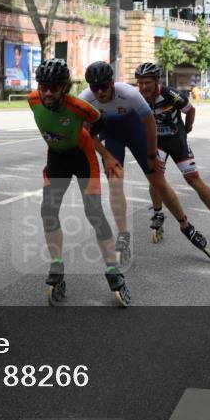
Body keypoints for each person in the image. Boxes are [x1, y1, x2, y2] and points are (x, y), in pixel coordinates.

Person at [79, 61, 210, 262]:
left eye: (103, 87)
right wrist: (106, 157)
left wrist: (152, 156)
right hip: (112, 137)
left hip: (137, 133)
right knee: (115, 184)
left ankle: (186, 226)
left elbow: (150, 124)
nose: (99, 92)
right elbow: (86, 132)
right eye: (94, 88)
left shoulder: (129, 94)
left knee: (158, 181)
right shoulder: (85, 99)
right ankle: (123, 235)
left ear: (112, 83)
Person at [28, 58, 131, 307]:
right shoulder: (32, 101)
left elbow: (98, 121)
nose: (48, 93)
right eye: (44, 87)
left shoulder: (78, 107)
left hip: (83, 157)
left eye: (54, 87)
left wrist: (88, 138)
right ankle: (57, 266)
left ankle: (112, 269)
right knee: (48, 211)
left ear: (65, 87)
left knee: (93, 212)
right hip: (57, 159)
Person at [135, 62, 210, 244]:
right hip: (157, 143)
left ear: (156, 81)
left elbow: (191, 110)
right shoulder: (137, 98)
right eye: (140, 83)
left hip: (176, 141)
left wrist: (187, 128)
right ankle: (158, 213)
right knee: (155, 177)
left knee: (193, 179)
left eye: (147, 82)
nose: (143, 87)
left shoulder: (170, 95)